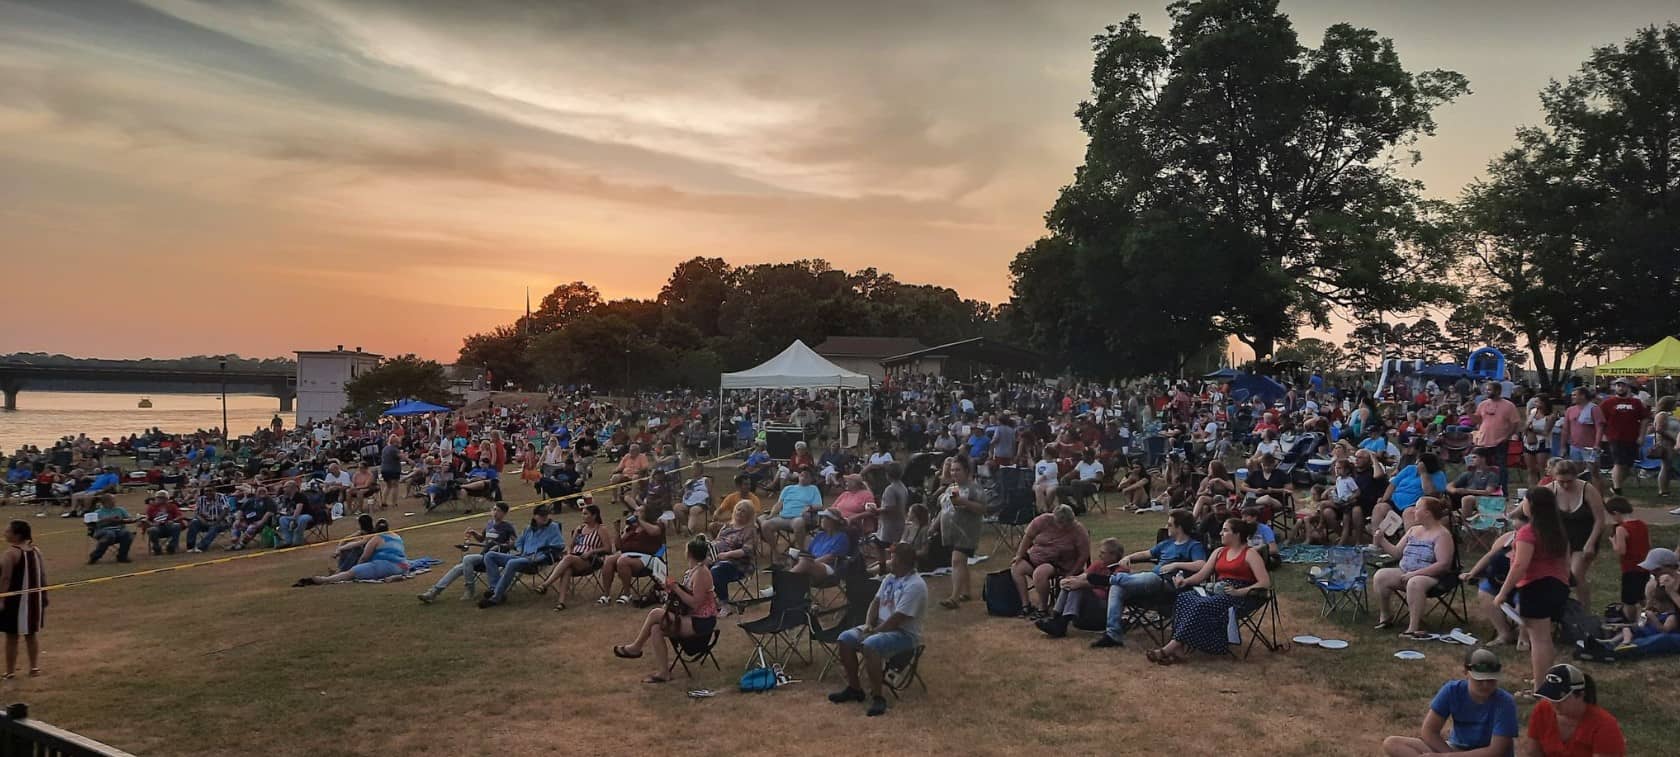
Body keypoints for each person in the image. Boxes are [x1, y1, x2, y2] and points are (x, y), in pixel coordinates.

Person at [1145, 518, 1271, 664]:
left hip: (1240, 596)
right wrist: (1185, 581)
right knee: (1184, 597)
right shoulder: (1219, 552)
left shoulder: (1250, 554)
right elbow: (1202, 575)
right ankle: (1178, 648)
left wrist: (1239, 592)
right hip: (1217, 590)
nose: (1220, 533)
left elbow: (1264, 583)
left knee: (1201, 605)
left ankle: (1169, 648)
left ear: (1237, 534)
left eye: (1225, 530)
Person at [828, 543, 927, 717]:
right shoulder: (890, 578)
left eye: (892, 557)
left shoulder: (915, 585)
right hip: (880, 627)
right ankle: (854, 688)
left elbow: (897, 619)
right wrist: (867, 624)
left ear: (902, 562)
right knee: (845, 638)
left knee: (870, 645)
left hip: (904, 634)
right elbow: (875, 602)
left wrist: (875, 632)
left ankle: (878, 697)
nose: (889, 560)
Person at [1494, 488, 1572, 696]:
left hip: (1536, 587)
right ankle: (1545, 678)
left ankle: (1540, 689)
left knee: (1538, 641)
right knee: (1545, 638)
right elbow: (1566, 562)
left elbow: (1520, 565)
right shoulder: (1558, 530)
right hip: (1558, 586)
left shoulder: (1528, 532)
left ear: (1532, 506)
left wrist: (1503, 592)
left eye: (1525, 501)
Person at [1093, 509, 1209, 648]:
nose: (1166, 528)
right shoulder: (1167, 544)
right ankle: (1113, 635)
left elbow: (1201, 564)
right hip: (1150, 584)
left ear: (1179, 527)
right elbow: (1146, 554)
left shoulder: (1193, 546)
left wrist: (1176, 564)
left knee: (1151, 578)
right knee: (1117, 588)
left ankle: (1110, 579)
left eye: (1170, 524)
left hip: (1169, 587)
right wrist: (1129, 557)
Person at [611, 537, 717, 684]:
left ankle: (636, 647)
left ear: (689, 553)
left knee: (655, 613)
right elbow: (687, 594)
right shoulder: (694, 570)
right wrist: (671, 587)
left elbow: (695, 603)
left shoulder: (701, 573)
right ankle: (663, 673)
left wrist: (676, 589)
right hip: (690, 617)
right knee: (656, 629)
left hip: (701, 622)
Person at [1381, 648, 1518, 757]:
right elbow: (1429, 731)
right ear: (1465, 672)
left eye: (1491, 680)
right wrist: (1449, 754)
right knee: (1392, 743)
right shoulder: (1452, 690)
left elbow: (1496, 751)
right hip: (1455, 748)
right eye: (1479, 680)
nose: (1486, 685)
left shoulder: (1505, 702)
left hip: (1484, 754)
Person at [1372, 497, 1457, 638]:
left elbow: (1443, 564)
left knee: (1414, 582)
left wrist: (1414, 574)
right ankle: (1386, 616)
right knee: (1380, 576)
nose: (1413, 512)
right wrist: (1382, 540)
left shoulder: (1442, 534)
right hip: (1406, 571)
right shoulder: (1413, 530)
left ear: (1428, 513)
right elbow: (1397, 552)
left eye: (1417, 508)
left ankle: (1413, 628)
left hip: (1433, 576)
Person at [416, 502, 516, 603]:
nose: (495, 512)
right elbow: (482, 539)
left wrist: (506, 545)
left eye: (498, 511)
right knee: (458, 567)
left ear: (504, 513)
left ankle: (470, 590)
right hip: (483, 557)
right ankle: (432, 593)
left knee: (467, 559)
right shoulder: (490, 524)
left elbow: (514, 544)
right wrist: (473, 533)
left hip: (495, 559)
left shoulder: (508, 526)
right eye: (494, 509)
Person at [1520, 664, 1625, 757]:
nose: (1554, 703)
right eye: (1550, 697)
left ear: (1580, 695)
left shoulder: (1604, 726)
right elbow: (1533, 752)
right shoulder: (1542, 710)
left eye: (1560, 698)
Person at [1461, 510, 1528, 647]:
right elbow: (1488, 556)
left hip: (1524, 583)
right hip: (1499, 581)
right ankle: (1504, 633)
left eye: (1520, 529)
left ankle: (1524, 636)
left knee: (1525, 599)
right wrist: (1472, 573)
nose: (1517, 532)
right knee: (1485, 590)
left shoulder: (1532, 542)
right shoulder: (1507, 538)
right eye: (1515, 528)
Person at [1010, 504, 1091, 617]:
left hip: (1058, 563)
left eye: (1067, 524)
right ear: (1054, 518)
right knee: (1016, 567)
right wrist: (1019, 555)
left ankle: (1043, 607)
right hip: (1035, 556)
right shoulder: (1043, 520)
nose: (1063, 526)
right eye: (1060, 523)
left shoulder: (1078, 530)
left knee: (1040, 573)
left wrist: (1072, 573)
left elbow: (1084, 555)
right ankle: (1025, 605)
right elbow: (1028, 537)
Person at [478, 504, 564, 607]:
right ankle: (494, 588)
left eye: (546, 515)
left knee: (512, 562)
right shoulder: (529, 528)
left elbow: (559, 545)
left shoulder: (553, 527)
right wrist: (518, 549)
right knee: (490, 555)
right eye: (541, 515)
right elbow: (518, 542)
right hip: (522, 556)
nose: (544, 518)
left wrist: (540, 556)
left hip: (536, 561)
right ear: (535, 516)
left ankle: (496, 598)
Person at [1547, 461, 1606, 609]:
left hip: (1584, 538)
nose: (1566, 485)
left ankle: (1585, 611)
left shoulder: (1588, 489)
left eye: (1569, 481)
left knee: (1576, 574)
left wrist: (1591, 543)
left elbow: (1600, 519)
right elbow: (1528, 505)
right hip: (1562, 540)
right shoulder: (1549, 490)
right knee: (1558, 576)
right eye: (1561, 482)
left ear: (1576, 477)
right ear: (1554, 478)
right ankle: (1561, 608)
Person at [1037, 537, 1123, 638]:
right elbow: (1083, 576)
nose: (1100, 555)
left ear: (1113, 555)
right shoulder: (1098, 565)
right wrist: (1068, 580)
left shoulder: (1121, 569)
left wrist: (1080, 584)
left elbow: (1111, 585)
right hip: (1089, 603)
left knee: (1078, 587)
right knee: (1072, 584)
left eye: (1103, 553)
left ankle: (1062, 622)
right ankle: (1057, 618)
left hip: (1106, 605)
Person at [932, 455, 986, 610]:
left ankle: (954, 598)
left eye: (958, 470)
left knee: (956, 561)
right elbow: (945, 510)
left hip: (967, 532)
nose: (954, 473)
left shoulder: (974, 488)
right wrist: (934, 526)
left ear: (967, 471)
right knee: (960, 562)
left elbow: (983, 509)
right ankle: (966, 592)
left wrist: (964, 502)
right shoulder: (951, 488)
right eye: (952, 470)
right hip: (952, 532)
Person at [538, 504, 613, 610]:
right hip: (574, 558)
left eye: (586, 514)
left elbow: (608, 549)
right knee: (567, 568)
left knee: (568, 559)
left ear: (594, 516)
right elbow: (571, 546)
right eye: (582, 514)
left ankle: (545, 585)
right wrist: (569, 552)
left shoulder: (601, 529)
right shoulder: (580, 528)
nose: (583, 516)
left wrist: (591, 551)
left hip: (590, 560)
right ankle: (561, 603)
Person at [293, 519, 408, 585]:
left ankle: (324, 579)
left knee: (350, 574)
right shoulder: (397, 536)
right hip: (403, 566)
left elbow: (364, 557)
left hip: (384, 566)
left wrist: (355, 569)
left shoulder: (376, 538)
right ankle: (398, 576)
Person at [0, 520, 45, 679]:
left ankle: (10, 671)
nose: (5, 533)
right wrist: (43, 596)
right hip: (33, 601)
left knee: (11, 637)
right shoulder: (36, 551)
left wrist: (2, 599)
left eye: (7, 531)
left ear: (17, 535)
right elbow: (42, 575)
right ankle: (34, 668)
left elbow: (5, 579)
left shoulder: (10, 553)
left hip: (15, 602)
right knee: (31, 635)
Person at [599, 502, 666, 606]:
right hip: (627, 554)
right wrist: (618, 531)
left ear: (647, 514)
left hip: (648, 558)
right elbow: (618, 546)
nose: (636, 513)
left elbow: (654, 532)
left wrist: (640, 521)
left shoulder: (657, 524)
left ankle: (627, 594)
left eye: (640, 511)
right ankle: (606, 595)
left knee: (623, 561)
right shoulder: (631, 528)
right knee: (609, 560)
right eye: (636, 511)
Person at [1373, 454, 1447, 542]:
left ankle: (1411, 545)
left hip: (1415, 504)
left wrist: (1423, 474)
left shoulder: (1438, 475)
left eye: (1418, 462)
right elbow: (1393, 484)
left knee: (1408, 513)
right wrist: (1384, 499)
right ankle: (1377, 542)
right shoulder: (1409, 469)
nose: (1416, 463)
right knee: (1379, 508)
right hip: (1396, 501)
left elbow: (1430, 493)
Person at [1596, 378, 1649, 496]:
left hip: (1632, 437)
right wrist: (1602, 435)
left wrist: (1642, 435)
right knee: (1619, 463)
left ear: (1628, 387)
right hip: (1614, 437)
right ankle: (1617, 489)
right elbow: (1600, 420)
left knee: (1628, 465)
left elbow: (1645, 419)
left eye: (1623, 386)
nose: (1620, 388)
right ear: (1615, 387)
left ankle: (1615, 485)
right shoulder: (1608, 403)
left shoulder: (1636, 403)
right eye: (1618, 385)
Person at [708, 500, 758, 613]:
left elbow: (747, 551)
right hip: (718, 558)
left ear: (749, 515)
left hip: (739, 565)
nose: (739, 512)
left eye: (743, 511)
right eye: (738, 509)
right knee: (700, 567)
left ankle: (725, 605)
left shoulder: (750, 530)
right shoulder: (727, 526)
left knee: (716, 571)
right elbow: (716, 541)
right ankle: (705, 602)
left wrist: (727, 554)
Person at [1605, 496, 1650, 623]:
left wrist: (1613, 542)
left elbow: (1621, 551)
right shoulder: (1642, 524)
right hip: (1645, 566)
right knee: (1643, 596)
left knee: (1629, 600)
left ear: (1616, 513)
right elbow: (1648, 544)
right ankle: (1645, 617)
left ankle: (1630, 622)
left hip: (1630, 568)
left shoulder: (1621, 529)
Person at [1473, 381, 1523, 493]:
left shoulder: (1509, 405)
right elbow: (1477, 420)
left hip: (1500, 441)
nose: (1487, 392)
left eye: (1489, 389)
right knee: (1483, 466)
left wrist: (1507, 436)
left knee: (1501, 467)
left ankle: (1502, 491)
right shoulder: (1483, 404)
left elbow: (1515, 423)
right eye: (1486, 389)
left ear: (1498, 391)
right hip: (1484, 440)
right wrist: (1469, 412)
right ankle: (1484, 489)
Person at [760, 468, 821, 554]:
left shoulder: (813, 489)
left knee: (798, 522)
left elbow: (819, 505)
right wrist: (771, 515)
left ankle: (801, 551)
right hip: (783, 517)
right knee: (765, 524)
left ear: (811, 479)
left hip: (800, 518)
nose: (804, 476)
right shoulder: (788, 488)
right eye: (802, 474)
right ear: (799, 476)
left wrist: (810, 507)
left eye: (807, 475)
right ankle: (775, 552)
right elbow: (779, 504)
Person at [792, 509, 852, 580]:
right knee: (794, 560)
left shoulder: (841, 537)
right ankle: (790, 585)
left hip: (830, 568)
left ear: (832, 521)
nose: (821, 520)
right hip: (812, 564)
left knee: (804, 563)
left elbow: (830, 558)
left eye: (824, 518)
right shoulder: (820, 535)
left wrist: (811, 562)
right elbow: (809, 552)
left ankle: (784, 582)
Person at [1448, 452, 1502, 521]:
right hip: (1463, 497)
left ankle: (1465, 525)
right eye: (1469, 457)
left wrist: (1467, 491)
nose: (1470, 459)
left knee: (1467, 499)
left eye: (1474, 457)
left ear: (1483, 459)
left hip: (1484, 499)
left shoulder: (1491, 475)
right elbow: (1449, 485)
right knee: (1444, 499)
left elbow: (1488, 492)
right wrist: (1454, 490)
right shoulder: (1467, 474)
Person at [87, 497, 135, 564]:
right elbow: (92, 525)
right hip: (102, 531)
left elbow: (130, 519)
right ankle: (95, 556)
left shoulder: (120, 510)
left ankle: (122, 556)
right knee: (110, 534)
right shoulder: (97, 512)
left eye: (114, 500)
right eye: (112, 500)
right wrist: (107, 519)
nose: (114, 502)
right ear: (105, 503)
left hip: (119, 530)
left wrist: (121, 520)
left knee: (127, 534)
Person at [185, 488, 232, 553]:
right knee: (194, 522)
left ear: (215, 491)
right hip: (205, 521)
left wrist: (216, 521)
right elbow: (197, 513)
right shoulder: (201, 499)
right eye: (206, 491)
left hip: (221, 521)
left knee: (215, 526)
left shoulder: (221, 497)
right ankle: (190, 547)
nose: (208, 493)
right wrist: (203, 521)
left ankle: (201, 547)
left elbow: (226, 509)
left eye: (210, 491)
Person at [142, 491, 187, 556]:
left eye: (162, 498)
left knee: (176, 526)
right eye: (158, 498)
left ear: (166, 499)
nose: (159, 499)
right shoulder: (151, 507)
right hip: (157, 528)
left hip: (169, 526)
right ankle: (157, 548)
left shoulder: (172, 506)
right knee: (152, 530)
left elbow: (180, 516)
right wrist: (152, 524)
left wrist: (173, 520)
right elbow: (147, 519)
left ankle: (171, 546)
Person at [673, 462, 711, 536]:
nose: (692, 471)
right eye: (692, 469)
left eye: (693, 469)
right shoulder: (689, 481)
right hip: (688, 502)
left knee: (693, 510)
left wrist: (710, 503)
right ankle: (686, 526)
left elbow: (710, 493)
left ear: (700, 469)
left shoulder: (706, 480)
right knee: (677, 507)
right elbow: (680, 493)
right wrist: (685, 489)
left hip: (701, 503)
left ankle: (690, 531)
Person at [1032, 446, 1061, 513]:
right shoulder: (1040, 462)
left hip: (1051, 484)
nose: (1042, 453)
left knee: (1051, 491)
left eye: (1043, 452)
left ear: (1048, 455)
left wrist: (1035, 483)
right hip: (1040, 484)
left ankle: (1044, 509)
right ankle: (1044, 509)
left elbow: (1044, 477)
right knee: (1038, 489)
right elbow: (1033, 466)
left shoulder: (1054, 465)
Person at [378, 434, 404, 510]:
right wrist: (403, 454)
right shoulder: (394, 449)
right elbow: (401, 457)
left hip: (384, 469)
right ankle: (394, 503)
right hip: (393, 469)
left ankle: (383, 501)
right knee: (395, 486)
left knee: (388, 485)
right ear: (395, 442)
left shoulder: (385, 448)